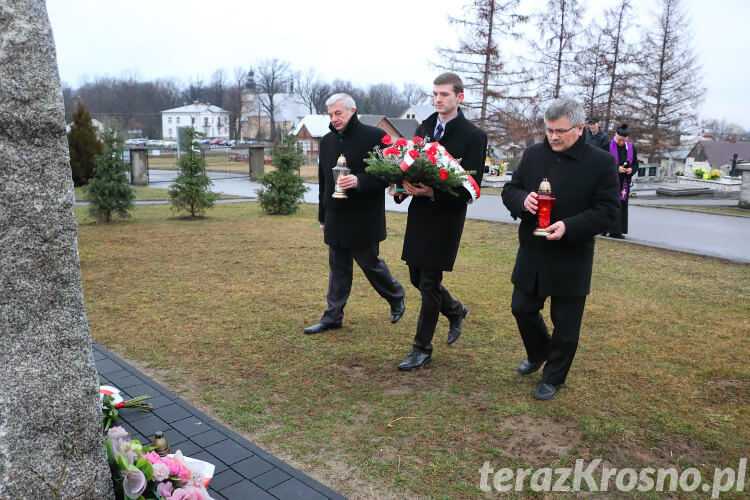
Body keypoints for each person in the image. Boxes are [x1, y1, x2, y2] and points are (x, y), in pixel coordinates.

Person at [501, 97, 619, 400]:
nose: (553, 136)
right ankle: (539, 351)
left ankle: (553, 376)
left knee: (565, 324)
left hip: (572, 255)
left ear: (579, 129)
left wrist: (569, 226)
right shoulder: (532, 155)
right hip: (533, 250)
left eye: (560, 131)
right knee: (522, 308)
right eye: (549, 130)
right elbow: (510, 189)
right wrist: (520, 201)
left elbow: (608, 211)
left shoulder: (602, 162)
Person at [393, 72, 486, 371]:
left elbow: (471, 188)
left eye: (444, 94)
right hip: (420, 215)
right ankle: (456, 311)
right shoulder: (424, 127)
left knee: (430, 282)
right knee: (416, 278)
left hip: (446, 217)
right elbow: (412, 165)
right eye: (435, 94)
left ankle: (422, 348)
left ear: (460, 97)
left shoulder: (473, 136)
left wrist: (434, 191)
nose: (438, 99)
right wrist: (401, 188)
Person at [304, 93, 406, 335]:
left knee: (369, 264)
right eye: (330, 115)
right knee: (338, 267)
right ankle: (332, 317)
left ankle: (396, 296)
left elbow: (389, 174)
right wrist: (322, 217)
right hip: (336, 215)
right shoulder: (327, 141)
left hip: (364, 216)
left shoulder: (375, 136)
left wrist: (359, 180)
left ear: (352, 110)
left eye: (338, 113)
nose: (334, 119)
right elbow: (324, 183)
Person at [606, 124, 639, 239]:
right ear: (615, 136)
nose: (621, 143)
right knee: (608, 204)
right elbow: (602, 163)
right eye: (619, 140)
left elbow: (635, 164)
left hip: (624, 182)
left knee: (621, 205)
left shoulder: (631, 148)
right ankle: (605, 228)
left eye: (623, 141)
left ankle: (618, 230)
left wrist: (631, 170)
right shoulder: (607, 146)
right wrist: (616, 168)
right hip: (609, 181)